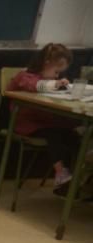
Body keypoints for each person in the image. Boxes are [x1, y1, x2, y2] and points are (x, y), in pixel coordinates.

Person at [7, 43, 82, 195]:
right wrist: (54, 84)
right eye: (56, 72)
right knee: (53, 135)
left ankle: (72, 181)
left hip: (46, 122)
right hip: (27, 124)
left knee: (73, 137)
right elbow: (35, 85)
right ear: (46, 63)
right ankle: (61, 173)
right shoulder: (25, 76)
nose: (57, 76)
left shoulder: (48, 80)